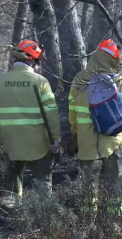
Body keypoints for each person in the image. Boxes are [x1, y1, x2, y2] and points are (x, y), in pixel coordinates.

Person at [67, 39, 122, 226]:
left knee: (89, 187)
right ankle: (115, 221)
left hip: (87, 145)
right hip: (113, 143)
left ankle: (88, 223)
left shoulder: (79, 79)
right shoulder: (117, 79)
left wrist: (75, 134)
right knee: (116, 183)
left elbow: (72, 112)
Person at [0, 40, 61, 208]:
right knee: (43, 183)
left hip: (10, 143)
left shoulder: (1, 81)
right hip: (38, 143)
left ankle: (11, 216)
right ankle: (44, 215)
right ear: (31, 59)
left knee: (12, 184)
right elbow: (51, 114)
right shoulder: (41, 82)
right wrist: (55, 139)